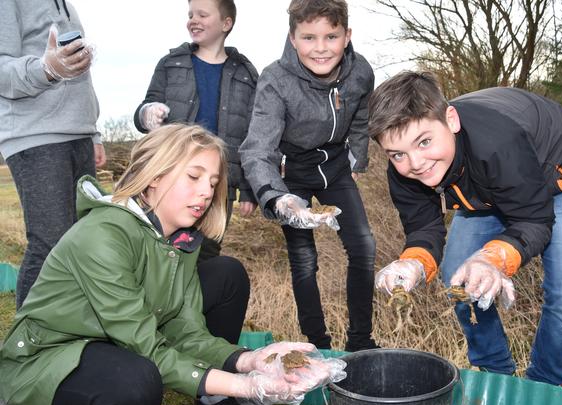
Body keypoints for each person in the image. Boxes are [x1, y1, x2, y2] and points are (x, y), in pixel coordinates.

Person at [0, 124, 335, 405]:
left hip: (111, 342)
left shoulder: (180, 241)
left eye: (213, 182)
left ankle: (211, 404)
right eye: (193, 177)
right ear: (155, 176)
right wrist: (243, 385)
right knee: (136, 383)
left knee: (226, 272)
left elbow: (187, 332)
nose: (206, 192)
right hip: (47, 357)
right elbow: (147, 347)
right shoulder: (103, 235)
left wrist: (248, 360)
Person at [369, 71, 562, 386]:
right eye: (398, 154)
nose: (416, 163)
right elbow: (423, 227)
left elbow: (533, 220)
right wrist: (414, 262)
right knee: (459, 279)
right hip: (484, 189)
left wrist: (491, 259)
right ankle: (496, 376)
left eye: (424, 141)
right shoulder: (404, 171)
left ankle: (541, 387)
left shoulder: (498, 143)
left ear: (451, 120)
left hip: (555, 172)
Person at [239, 0, 378, 352]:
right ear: (293, 38)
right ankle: (317, 344)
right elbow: (257, 149)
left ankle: (361, 342)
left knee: (363, 247)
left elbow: (360, 118)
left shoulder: (361, 71)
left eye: (331, 36)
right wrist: (276, 195)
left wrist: (356, 160)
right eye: (309, 37)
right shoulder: (275, 79)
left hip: (335, 168)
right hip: (292, 173)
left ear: (347, 36)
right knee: (304, 259)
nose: (320, 48)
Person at [0, 0, 106, 308]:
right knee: (51, 243)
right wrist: (47, 69)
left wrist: (93, 130)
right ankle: (25, 349)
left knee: (81, 243)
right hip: (35, 135)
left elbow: (80, 75)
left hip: (79, 132)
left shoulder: (66, 5)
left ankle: (62, 335)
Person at [134, 0, 258, 261]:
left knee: (207, 253)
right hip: (171, 175)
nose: (194, 20)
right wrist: (148, 114)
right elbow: (146, 108)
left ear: (226, 23)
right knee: (157, 248)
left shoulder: (246, 74)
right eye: (191, 14)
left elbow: (252, 136)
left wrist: (248, 189)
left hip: (217, 184)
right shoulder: (171, 63)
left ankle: (197, 301)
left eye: (203, 14)